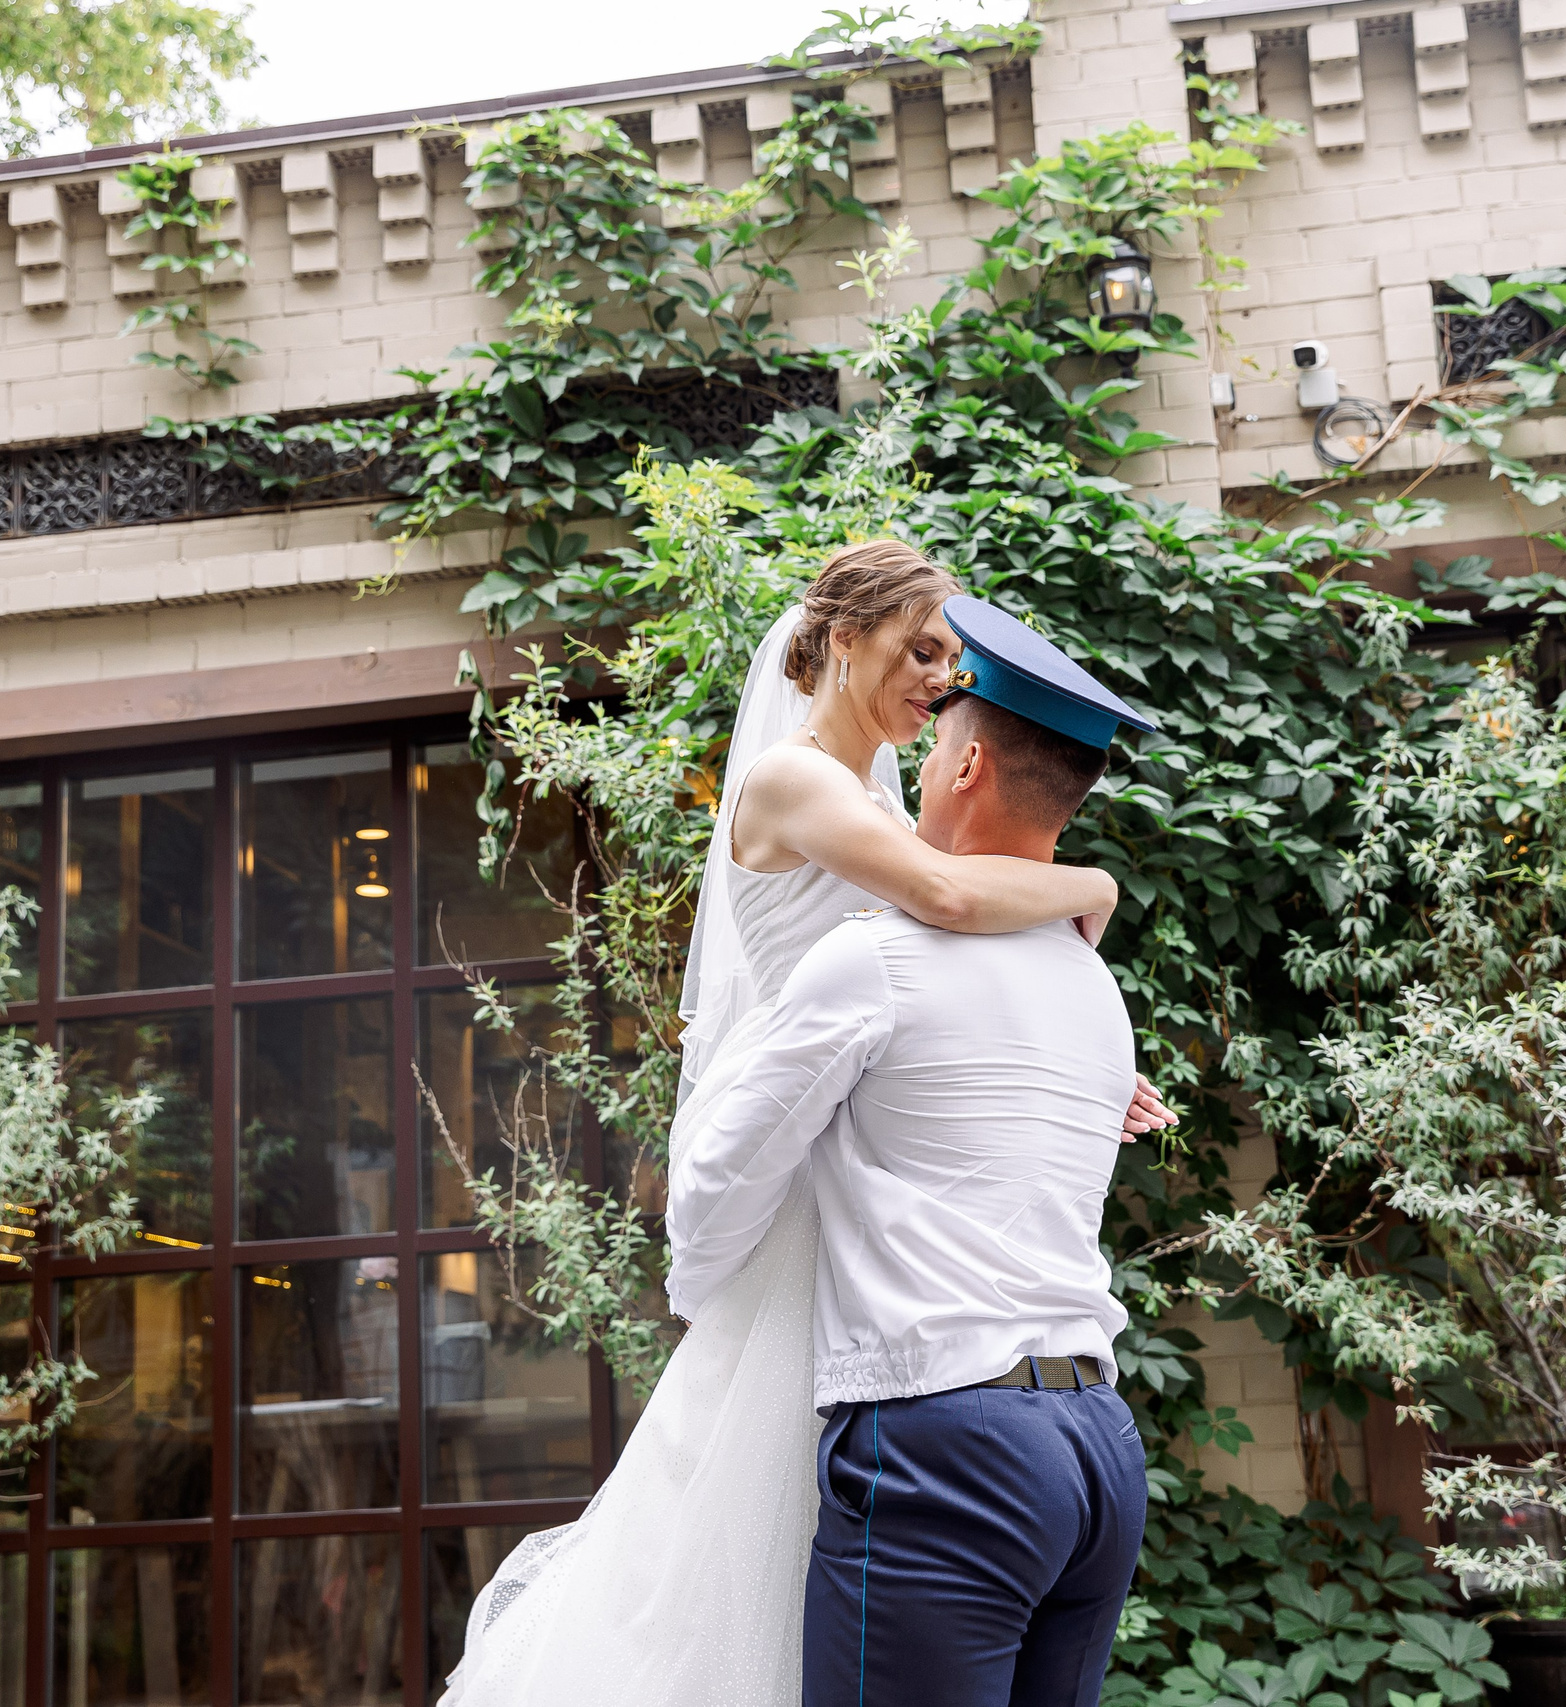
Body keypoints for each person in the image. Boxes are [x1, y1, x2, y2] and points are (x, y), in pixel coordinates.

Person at [448, 545, 1170, 1706]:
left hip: (879, 1227)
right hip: (813, 1168)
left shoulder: (890, 800)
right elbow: (948, 900)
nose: (939, 677)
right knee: (736, 1551)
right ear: (842, 638)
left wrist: (1068, 1069)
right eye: (920, 648)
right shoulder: (796, 784)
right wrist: (1095, 888)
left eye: (949, 660)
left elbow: (958, 964)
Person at [667, 594, 1155, 1707]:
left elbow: (711, 1194)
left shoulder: (873, 956)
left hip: (948, 1445)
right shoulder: (1090, 985)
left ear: (970, 768)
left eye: (941, 734)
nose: (927, 722)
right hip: (1097, 1448)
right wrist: (1096, 884)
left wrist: (718, 1298)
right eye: (920, 656)